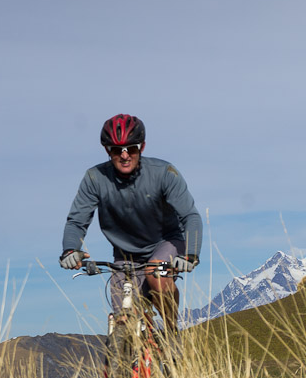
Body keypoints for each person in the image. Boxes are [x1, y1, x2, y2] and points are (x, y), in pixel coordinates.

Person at [59, 114, 202, 334]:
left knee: (155, 274)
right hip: (125, 258)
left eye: (131, 148)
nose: (125, 155)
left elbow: (190, 216)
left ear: (142, 147)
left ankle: (172, 336)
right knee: (122, 321)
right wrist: (71, 248)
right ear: (108, 151)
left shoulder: (164, 173)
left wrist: (191, 254)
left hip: (166, 243)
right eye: (117, 150)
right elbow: (77, 220)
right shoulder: (95, 178)